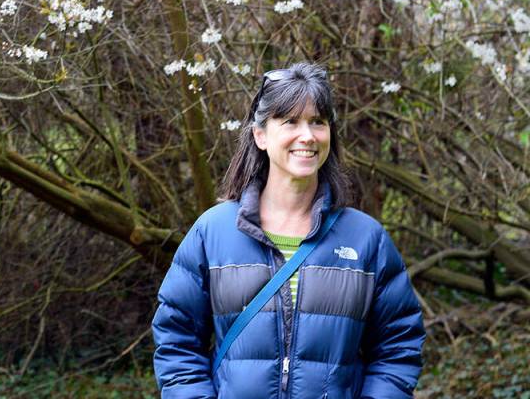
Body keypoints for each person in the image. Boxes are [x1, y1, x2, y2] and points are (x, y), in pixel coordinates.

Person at [152, 63, 424, 398]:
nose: (307, 136)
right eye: (290, 121)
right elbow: (176, 341)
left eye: (318, 122)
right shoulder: (213, 232)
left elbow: (398, 346)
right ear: (260, 135)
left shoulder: (366, 238)